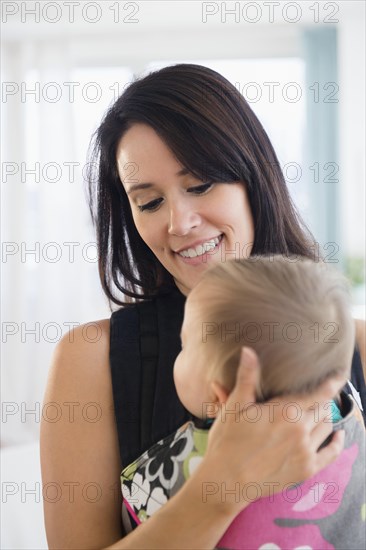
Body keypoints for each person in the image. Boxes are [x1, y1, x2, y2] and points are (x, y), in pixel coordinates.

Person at [40, 64, 366, 549]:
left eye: (199, 186)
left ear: (251, 177)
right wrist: (221, 488)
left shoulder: (355, 344)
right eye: (149, 202)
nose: (180, 222)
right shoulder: (91, 360)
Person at [121, 256, 366, 549]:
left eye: (184, 346)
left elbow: (132, 527)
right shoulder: (352, 428)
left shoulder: (167, 471)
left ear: (221, 396)